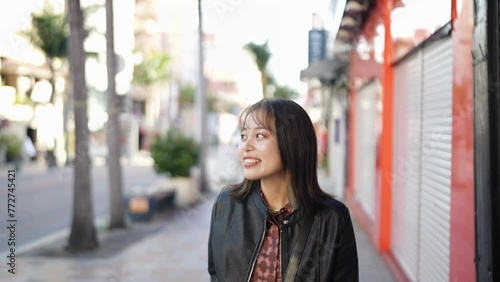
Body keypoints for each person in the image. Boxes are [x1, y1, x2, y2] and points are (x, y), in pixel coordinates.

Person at [208, 98, 359, 281]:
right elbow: (216, 274)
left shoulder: (334, 218)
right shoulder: (227, 204)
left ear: (292, 142)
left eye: (260, 136)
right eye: (243, 136)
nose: (245, 147)